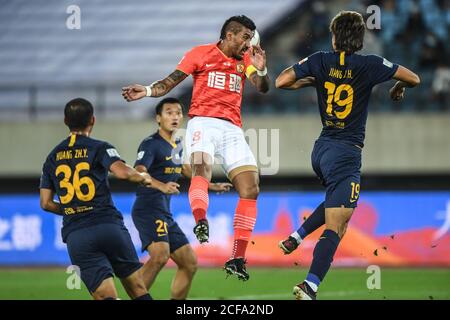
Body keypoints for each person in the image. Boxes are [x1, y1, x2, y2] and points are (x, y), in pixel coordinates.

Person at [275, 11, 420, 300]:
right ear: (361, 38)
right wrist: (398, 86)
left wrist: (315, 81)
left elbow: (281, 82)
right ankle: (310, 286)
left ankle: (298, 235)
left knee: (335, 201)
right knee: (337, 226)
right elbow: (414, 78)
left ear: (334, 36)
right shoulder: (371, 65)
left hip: (322, 149)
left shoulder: (319, 60)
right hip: (347, 152)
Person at [122, 15, 270, 281]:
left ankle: (237, 257)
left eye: (251, 39)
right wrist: (145, 90)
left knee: (251, 188)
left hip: (233, 129)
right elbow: (168, 84)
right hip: (203, 123)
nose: (249, 44)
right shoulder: (200, 54)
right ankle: (201, 220)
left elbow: (262, 88)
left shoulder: (246, 60)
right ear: (230, 35)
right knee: (202, 169)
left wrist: (261, 69)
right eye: (246, 38)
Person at [39, 98, 153, 300]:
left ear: (65, 120)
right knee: (138, 290)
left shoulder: (51, 157)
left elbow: (45, 203)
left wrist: (72, 208)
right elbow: (123, 173)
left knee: (105, 296)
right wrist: (143, 177)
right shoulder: (100, 147)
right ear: (93, 120)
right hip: (108, 226)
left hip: (78, 234)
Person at [132, 97, 231, 299]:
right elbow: (138, 171)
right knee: (160, 255)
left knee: (189, 262)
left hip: (163, 212)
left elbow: (185, 170)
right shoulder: (151, 144)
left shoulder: (177, 143)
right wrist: (161, 186)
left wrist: (210, 185)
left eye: (178, 112)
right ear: (158, 118)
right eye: (169, 112)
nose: (175, 116)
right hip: (148, 209)